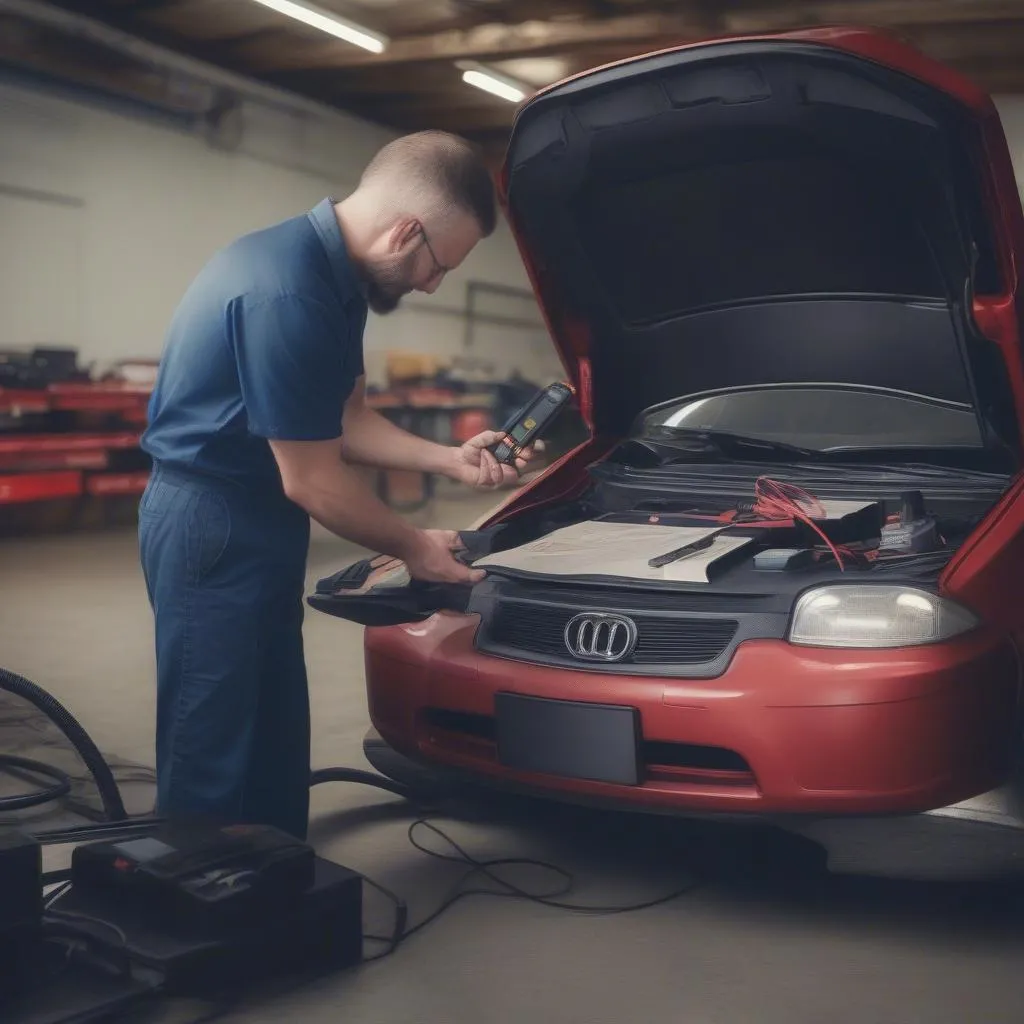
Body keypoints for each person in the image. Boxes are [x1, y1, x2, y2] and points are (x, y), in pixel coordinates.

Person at [137, 130, 533, 840]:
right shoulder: (288, 289)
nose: (433, 285)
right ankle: (203, 910)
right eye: (439, 265)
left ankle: (275, 882)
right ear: (405, 230)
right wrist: (414, 545)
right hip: (210, 517)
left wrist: (450, 460)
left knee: (273, 720)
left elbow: (345, 419)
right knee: (214, 735)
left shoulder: (336, 280)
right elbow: (315, 480)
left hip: (256, 514)